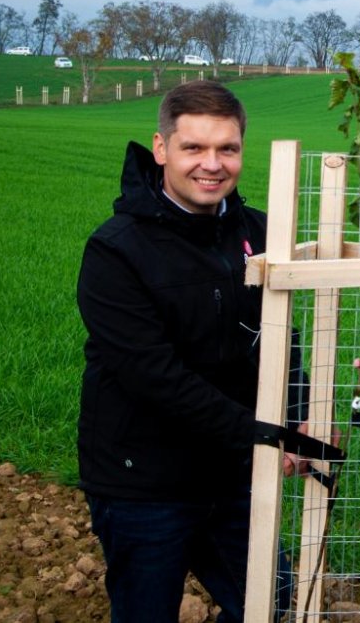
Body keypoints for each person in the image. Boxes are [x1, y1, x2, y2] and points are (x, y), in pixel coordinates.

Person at [77, 80, 304, 622]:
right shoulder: (116, 250)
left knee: (267, 604)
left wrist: (297, 413)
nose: (213, 164)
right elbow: (154, 376)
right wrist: (263, 436)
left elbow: (284, 338)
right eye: (194, 147)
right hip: (145, 481)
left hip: (234, 476)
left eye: (227, 148)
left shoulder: (261, 234)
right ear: (161, 149)